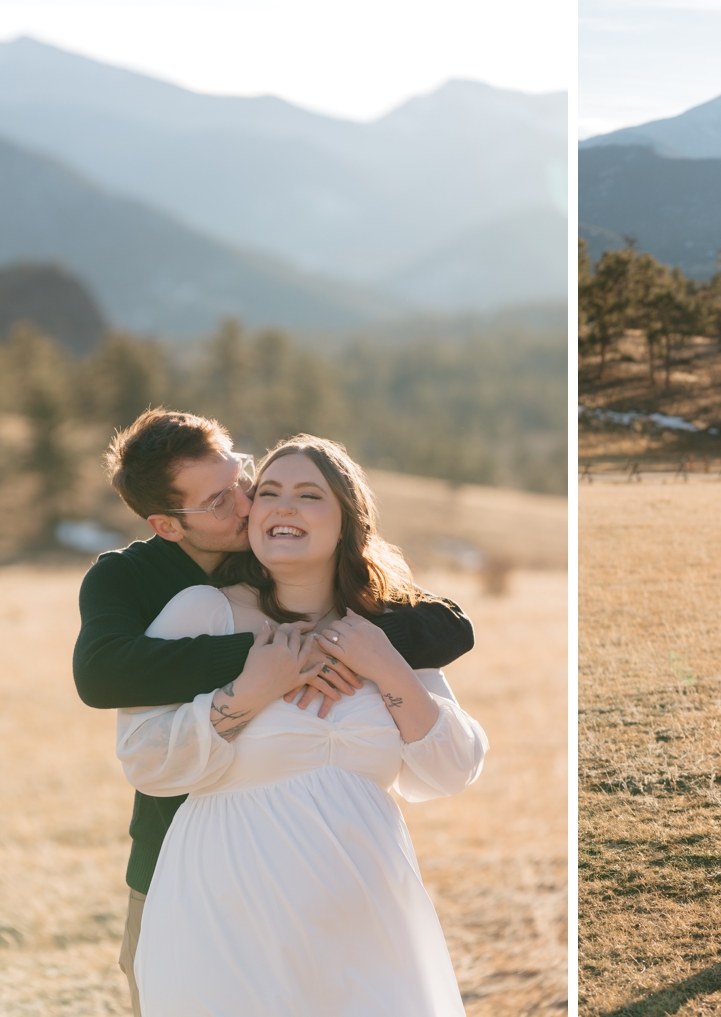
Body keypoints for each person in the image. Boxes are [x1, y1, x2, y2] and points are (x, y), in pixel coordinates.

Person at [72, 409, 474, 1016]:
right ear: (169, 525)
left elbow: (450, 629)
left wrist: (371, 653)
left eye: (242, 479)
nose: (248, 502)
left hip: (362, 909)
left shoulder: (371, 623)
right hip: (198, 874)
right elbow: (104, 677)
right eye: (220, 501)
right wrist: (267, 667)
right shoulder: (154, 590)